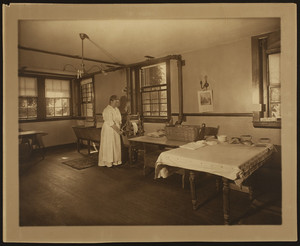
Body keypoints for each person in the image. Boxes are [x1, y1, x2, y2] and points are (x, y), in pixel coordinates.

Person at [98, 95, 122, 167]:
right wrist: (118, 131)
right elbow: (110, 123)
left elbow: (119, 119)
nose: (117, 103)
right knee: (109, 145)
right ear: (111, 101)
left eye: (118, 102)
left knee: (115, 145)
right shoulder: (107, 110)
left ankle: (115, 161)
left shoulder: (116, 109)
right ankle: (108, 162)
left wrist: (119, 128)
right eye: (116, 101)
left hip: (116, 129)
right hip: (109, 130)